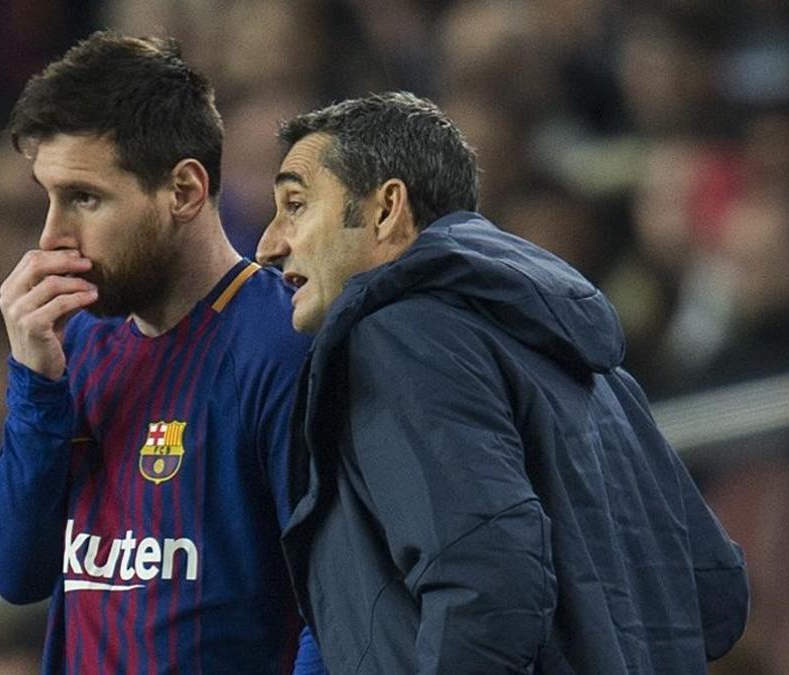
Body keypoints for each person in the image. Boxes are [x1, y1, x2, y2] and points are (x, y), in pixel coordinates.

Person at [255, 91, 749, 674]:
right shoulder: (590, 367)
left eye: (296, 204)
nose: (268, 245)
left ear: (387, 209)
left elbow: (487, 581)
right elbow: (714, 591)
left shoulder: (401, 336)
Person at [0, 32, 319, 673]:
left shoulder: (282, 344)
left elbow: (331, 611)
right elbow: (16, 571)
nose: (52, 234)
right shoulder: (72, 345)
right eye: (48, 197)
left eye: (84, 198)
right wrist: (33, 385)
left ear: (185, 191)